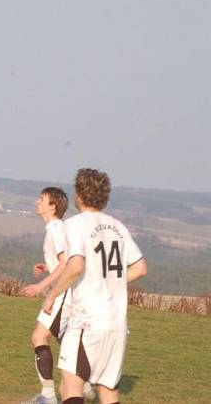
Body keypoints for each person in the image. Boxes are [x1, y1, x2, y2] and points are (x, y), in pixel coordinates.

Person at [43, 169, 147, 404]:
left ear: (79, 194)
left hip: (87, 320)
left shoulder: (75, 224)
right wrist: (111, 282)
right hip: (116, 323)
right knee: (108, 390)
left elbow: (76, 266)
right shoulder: (118, 227)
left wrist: (52, 295)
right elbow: (140, 268)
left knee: (71, 384)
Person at [21, 187, 93, 404]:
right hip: (69, 292)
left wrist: (40, 286)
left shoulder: (54, 229)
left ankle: (49, 395)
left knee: (39, 337)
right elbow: (64, 262)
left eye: (41, 199)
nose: (37, 201)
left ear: (53, 206)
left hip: (64, 294)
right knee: (65, 339)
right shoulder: (60, 228)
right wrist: (47, 268)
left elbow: (66, 263)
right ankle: (85, 385)